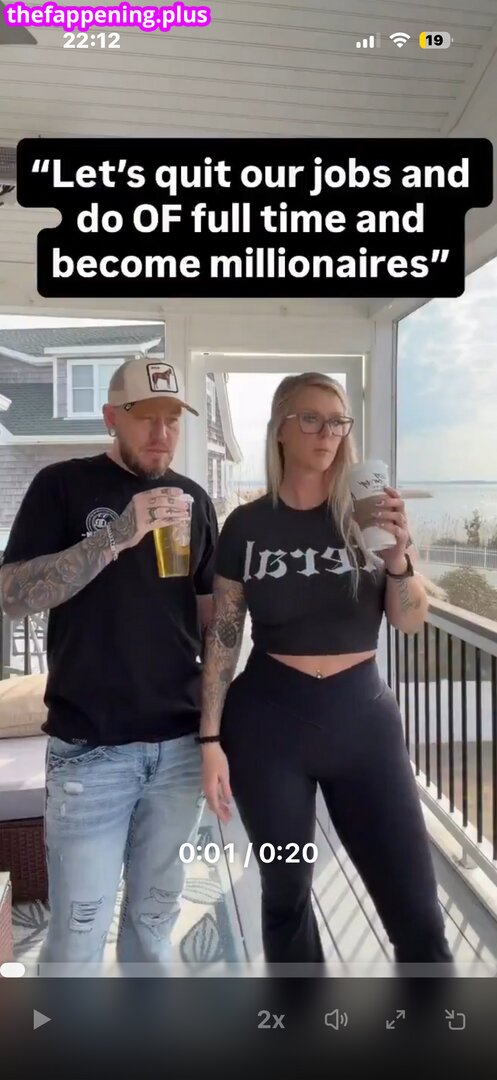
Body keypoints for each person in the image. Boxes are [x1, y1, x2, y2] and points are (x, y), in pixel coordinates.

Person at [199, 372, 453, 974]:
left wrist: (399, 559)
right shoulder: (247, 525)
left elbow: (410, 620)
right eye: (310, 418)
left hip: (363, 725)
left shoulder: (369, 518)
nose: (327, 432)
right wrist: (209, 740)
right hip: (268, 728)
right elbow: (224, 637)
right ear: (281, 430)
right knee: (286, 894)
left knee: (415, 905)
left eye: (337, 421)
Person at [0, 357, 218, 971]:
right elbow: (11, 595)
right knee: (78, 932)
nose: (161, 433)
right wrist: (116, 536)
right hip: (90, 749)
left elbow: (212, 621)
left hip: (179, 748)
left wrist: (214, 731)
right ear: (111, 418)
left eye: (172, 419)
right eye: (145, 417)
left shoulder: (195, 501)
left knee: (153, 921)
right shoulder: (62, 485)